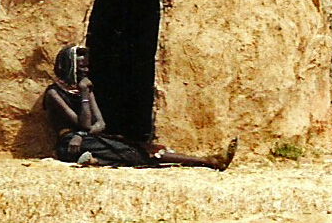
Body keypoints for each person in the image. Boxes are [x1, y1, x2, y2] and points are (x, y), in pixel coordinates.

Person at [44, 44, 237, 170]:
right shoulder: (54, 93)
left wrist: (84, 131)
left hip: (88, 139)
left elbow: (100, 123)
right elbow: (84, 123)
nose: (85, 70)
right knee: (134, 154)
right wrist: (85, 96)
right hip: (70, 143)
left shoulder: (85, 88)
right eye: (80, 67)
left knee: (137, 149)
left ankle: (207, 161)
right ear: (68, 66)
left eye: (86, 66)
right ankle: (207, 161)